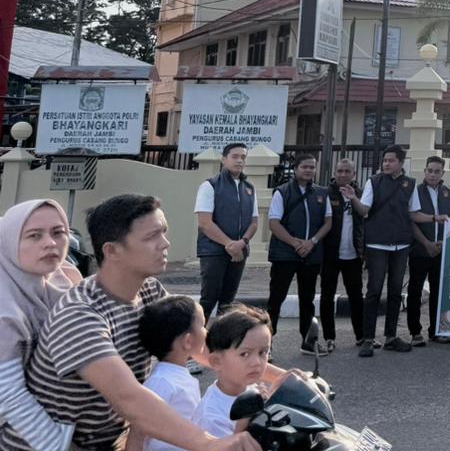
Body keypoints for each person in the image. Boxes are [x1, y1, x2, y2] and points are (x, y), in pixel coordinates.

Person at [9, 193, 267, 451]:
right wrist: (209, 443)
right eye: (151, 236)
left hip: (108, 441)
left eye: (163, 232)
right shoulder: (79, 315)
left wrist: (279, 378)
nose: (165, 243)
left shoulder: (149, 291)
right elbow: (129, 398)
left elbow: (201, 344)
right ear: (112, 251)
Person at [0, 199, 81, 451]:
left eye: (58, 232)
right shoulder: (5, 311)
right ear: (9, 242)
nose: (50, 243)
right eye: (34, 236)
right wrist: (59, 446)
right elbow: (8, 396)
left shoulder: (63, 281)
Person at [351, 144, 422, 358]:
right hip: (377, 244)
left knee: (395, 291)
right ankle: (368, 339)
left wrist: (436, 219)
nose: (387, 164)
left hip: (401, 244)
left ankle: (391, 336)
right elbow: (364, 210)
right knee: (374, 290)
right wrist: (353, 198)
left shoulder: (410, 184)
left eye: (391, 160)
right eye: (385, 160)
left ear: (401, 162)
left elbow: (414, 214)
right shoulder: (373, 182)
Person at [265, 153, 332, 346]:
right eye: (304, 167)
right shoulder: (282, 192)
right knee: (276, 299)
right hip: (284, 254)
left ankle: (308, 342)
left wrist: (312, 242)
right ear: (296, 169)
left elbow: (328, 222)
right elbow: (274, 223)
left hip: (311, 255)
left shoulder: (322, 193)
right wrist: (296, 243)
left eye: (312, 167)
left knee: (307, 300)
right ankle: (267, 344)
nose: (308, 170)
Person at [194, 143, 258, 338]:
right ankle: (195, 343)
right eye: (235, 156)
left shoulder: (249, 188)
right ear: (224, 159)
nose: (239, 160)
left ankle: (220, 343)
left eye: (243, 157)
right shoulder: (210, 186)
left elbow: (254, 222)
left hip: (239, 252)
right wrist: (230, 244)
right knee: (208, 299)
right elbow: (205, 223)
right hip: (213, 251)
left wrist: (242, 243)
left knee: (228, 303)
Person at [133, 295, 206, 451]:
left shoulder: (177, 375)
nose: (206, 332)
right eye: (202, 326)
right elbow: (138, 431)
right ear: (188, 341)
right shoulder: (162, 381)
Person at [195, 306, 271, 440]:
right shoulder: (211, 416)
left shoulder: (249, 388)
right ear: (216, 361)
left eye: (263, 352)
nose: (257, 362)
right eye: (245, 354)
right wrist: (245, 420)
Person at [407, 155, 450, 347]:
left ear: (443, 173)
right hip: (419, 249)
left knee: (438, 292)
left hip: (441, 250)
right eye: (430, 171)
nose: (433, 174)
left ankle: (435, 330)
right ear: (425, 171)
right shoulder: (415, 191)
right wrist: (426, 243)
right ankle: (415, 332)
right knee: (415, 291)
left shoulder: (448, 193)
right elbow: (411, 220)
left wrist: (443, 243)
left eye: (437, 171)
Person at [321, 159, 364, 352]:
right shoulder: (326, 194)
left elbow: (366, 218)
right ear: (334, 172)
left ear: (354, 174)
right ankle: (329, 337)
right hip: (330, 254)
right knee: (327, 296)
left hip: (353, 254)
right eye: (340, 171)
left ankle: (361, 336)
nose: (343, 174)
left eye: (347, 171)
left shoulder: (360, 194)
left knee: (356, 296)